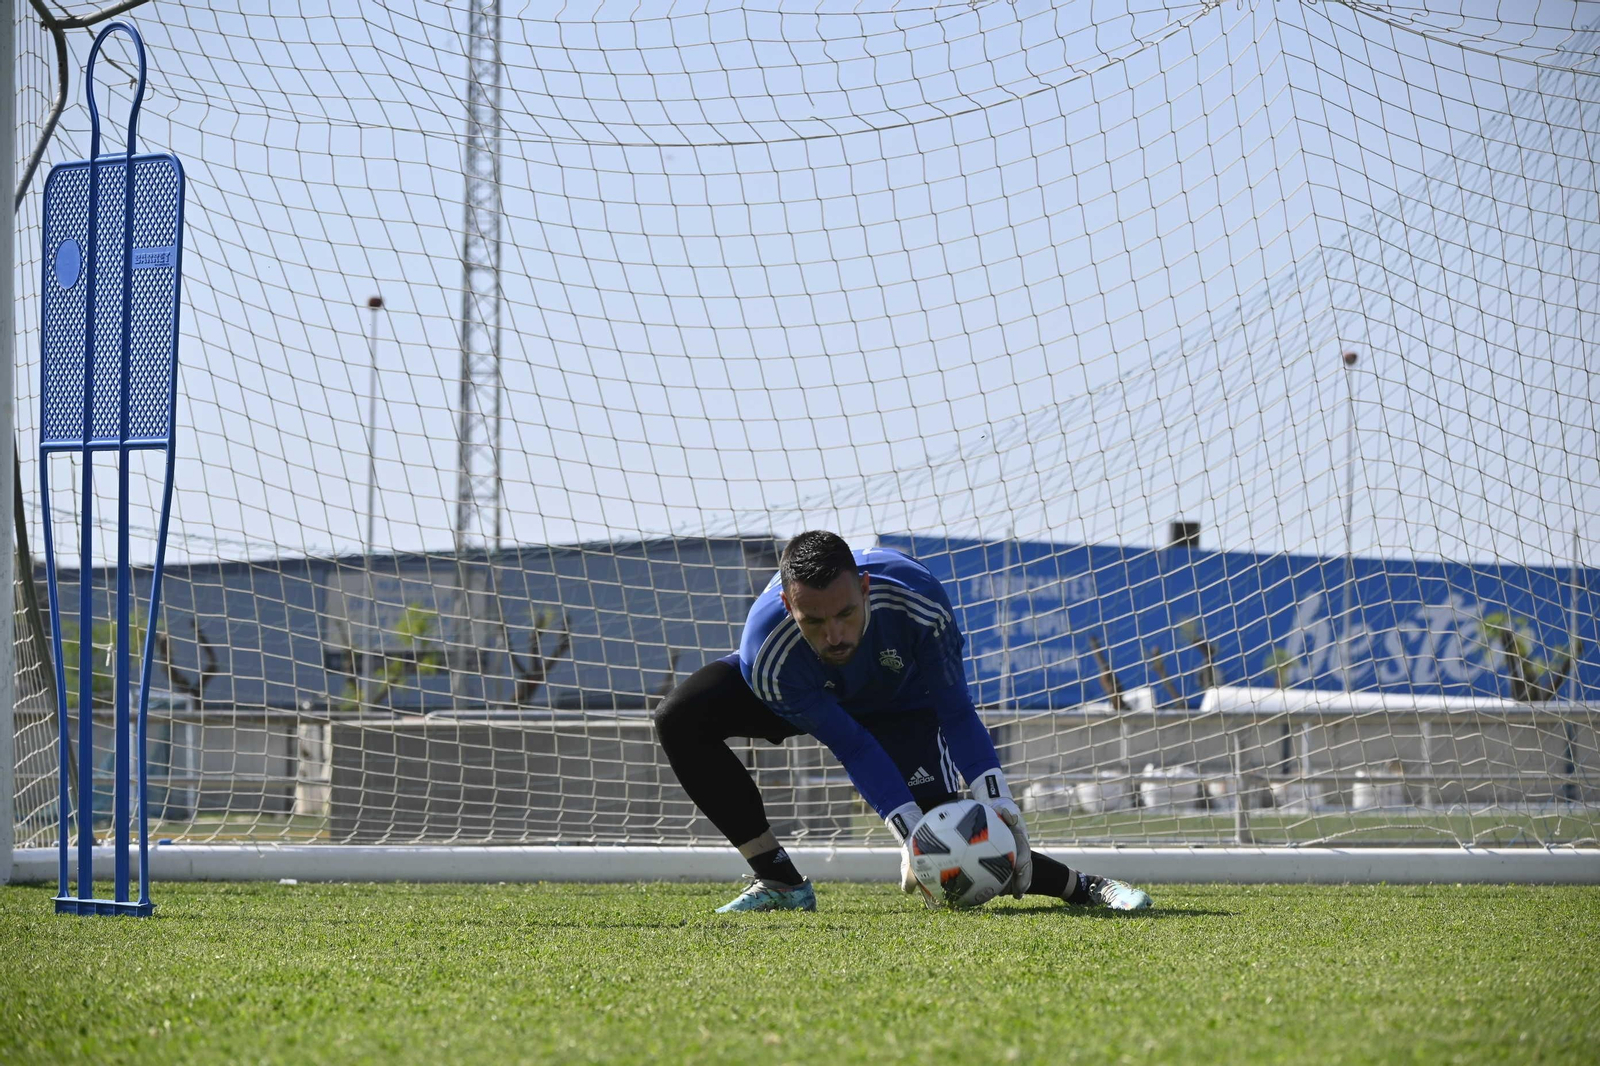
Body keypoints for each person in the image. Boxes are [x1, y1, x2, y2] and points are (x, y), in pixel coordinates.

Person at [653, 530, 1153, 913]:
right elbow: (852, 746)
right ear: (788, 606)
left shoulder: (919, 601)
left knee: (960, 833)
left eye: (846, 613)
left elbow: (955, 711)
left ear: (866, 588)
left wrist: (996, 799)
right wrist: (910, 833)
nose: (834, 636)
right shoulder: (767, 654)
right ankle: (780, 880)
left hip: (900, 703)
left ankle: (1083, 886)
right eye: (814, 621)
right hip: (809, 693)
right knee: (680, 717)